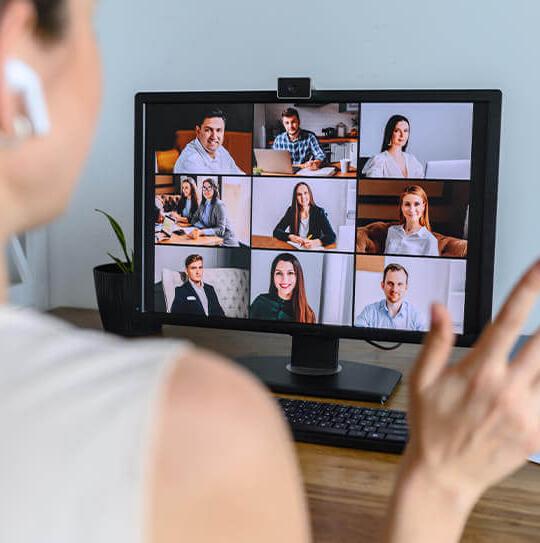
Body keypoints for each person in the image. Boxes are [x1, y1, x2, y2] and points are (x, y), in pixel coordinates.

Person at [1, 2, 539, 542]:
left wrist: (310, 224)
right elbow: (276, 220)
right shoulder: (202, 416)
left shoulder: (317, 183)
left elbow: (318, 229)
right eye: (89, 27)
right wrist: (441, 484)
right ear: (15, 50)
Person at [354, 263, 427, 331]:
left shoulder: (417, 317)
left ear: (406, 287)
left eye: (399, 284)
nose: (394, 289)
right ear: (382, 285)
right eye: (390, 283)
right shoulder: (369, 312)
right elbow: (356, 338)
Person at [173, 109, 245, 175]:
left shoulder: (220, 150)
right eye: (208, 130)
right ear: (198, 131)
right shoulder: (190, 160)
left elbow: (240, 175)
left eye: (218, 130)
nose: (214, 136)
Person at [250, 253, 316, 323]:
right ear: (273, 276)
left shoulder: (308, 314)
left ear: (298, 277)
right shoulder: (260, 302)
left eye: (290, 273)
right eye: (279, 273)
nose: (284, 280)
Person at [273, 182, 336, 249]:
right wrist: (290, 236)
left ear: (310, 194)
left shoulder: (319, 212)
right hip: (295, 248)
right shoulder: (291, 211)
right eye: (299, 194)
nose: (303, 197)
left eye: (305, 193)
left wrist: (316, 242)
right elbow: (276, 231)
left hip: (312, 249)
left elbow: (331, 236)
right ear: (296, 198)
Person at [385, 185, 439, 256]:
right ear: (402, 207)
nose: (411, 209)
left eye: (416, 204)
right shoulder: (392, 231)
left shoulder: (430, 241)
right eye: (407, 204)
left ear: (423, 206)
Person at [188, 177, 238, 246]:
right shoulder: (203, 204)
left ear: (214, 189)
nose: (206, 190)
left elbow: (221, 230)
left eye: (209, 188)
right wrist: (203, 230)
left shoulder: (219, 205)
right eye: (204, 188)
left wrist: (202, 231)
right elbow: (194, 219)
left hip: (225, 242)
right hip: (211, 238)